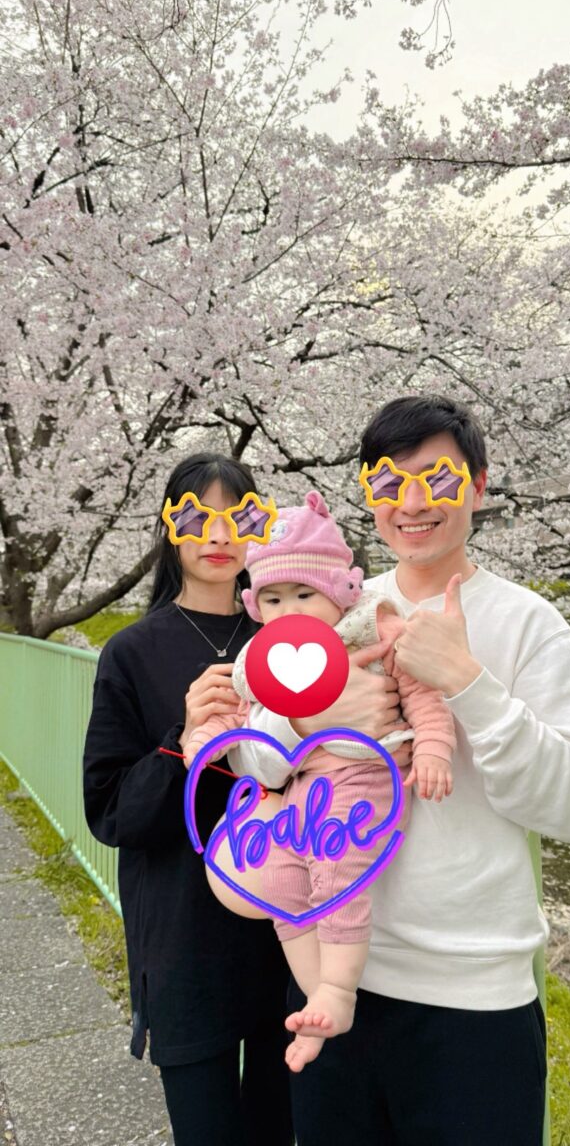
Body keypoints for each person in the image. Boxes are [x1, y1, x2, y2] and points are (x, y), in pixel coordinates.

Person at [228, 395, 570, 1146]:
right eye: (387, 482)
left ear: (478, 486)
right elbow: (252, 761)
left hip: (474, 997)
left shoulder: (529, 624)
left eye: (437, 479)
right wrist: (309, 722)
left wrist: (466, 682)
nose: (411, 504)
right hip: (332, 979)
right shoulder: (329, 607)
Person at [182, 489, 455, 1073]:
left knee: (335, 867)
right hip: (304, 787)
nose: (290, 611)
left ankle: (338, 990)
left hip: (365, 778)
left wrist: (434, 749)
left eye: (305, 594)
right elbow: (240, 714)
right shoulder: (265, 655)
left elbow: (423, 697)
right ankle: (317, 999)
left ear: (339, 592)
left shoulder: (371, 630)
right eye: (273, 598)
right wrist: (205, 742)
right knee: (281, 879)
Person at [82, 453, 297, 1146]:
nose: (220, 534)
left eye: (240, 517)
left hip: (291, 935)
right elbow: (111, 811)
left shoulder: (290, 642)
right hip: (185, 938)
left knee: (280, 1125)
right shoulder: (132, 653)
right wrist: (182, 741)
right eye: (198, 517)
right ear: (170, 528)